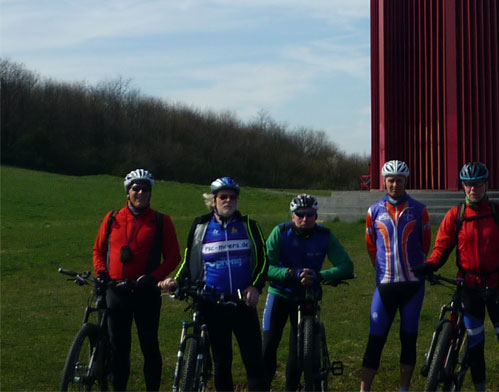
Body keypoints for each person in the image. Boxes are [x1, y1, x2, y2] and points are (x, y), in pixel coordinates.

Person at [414, 161, 499, 392]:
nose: (474, 189)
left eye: (479, 184)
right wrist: (430, 265)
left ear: (486, 185)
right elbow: (441, 248)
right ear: (463, 186)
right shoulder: (456, 215)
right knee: (475, 347)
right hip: (470, 289)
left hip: (497, 289)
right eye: (469, 184)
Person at [165, 176, 266, 392]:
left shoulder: (249, 226)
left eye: (232, 197)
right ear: (213, 201)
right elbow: (189, 259)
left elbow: (263, 260)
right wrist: (176, 280)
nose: (228, 200)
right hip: (212, 303)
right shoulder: (201, 226)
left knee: (254, 362)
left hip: (242, 303)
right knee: (222, 362)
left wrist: (255, 287)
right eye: (223, 197)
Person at [92, 167, 181, 392]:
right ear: (128, 192)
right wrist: (102, 273)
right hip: (116, 291)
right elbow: (98, 250)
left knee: (149, 347)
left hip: (145, 293)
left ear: (151, 193)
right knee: (119, 349)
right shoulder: (112, 218)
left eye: (145, 189)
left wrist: (153, 277)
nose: (140, 193)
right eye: (136, 189)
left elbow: (173, 257)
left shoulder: (161, 221)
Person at [262, 193, 354, 391]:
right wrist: (291, 273)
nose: (305, 219)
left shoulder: (324, 235)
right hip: (280, 294)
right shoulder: (280, 232)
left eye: (310, 214)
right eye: (300, 214)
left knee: (298, 351)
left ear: (316, 215)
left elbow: (346, 266)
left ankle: (291, 388)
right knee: (268, 346)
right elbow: (265, 267)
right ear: (292, 215)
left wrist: (319, 275)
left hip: (307, 295)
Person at [360, 160, 431, 392]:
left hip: (412, 286)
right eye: (390, 180)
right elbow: (371, 246)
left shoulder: (419, 210)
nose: (394, 185)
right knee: (375, 339)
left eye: (399, 180)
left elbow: (425, 244)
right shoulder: (374, 211)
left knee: (408, 339)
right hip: (385, 285)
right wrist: (382, 270)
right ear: (384, 181)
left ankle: (404, 388)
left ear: (405, 181)